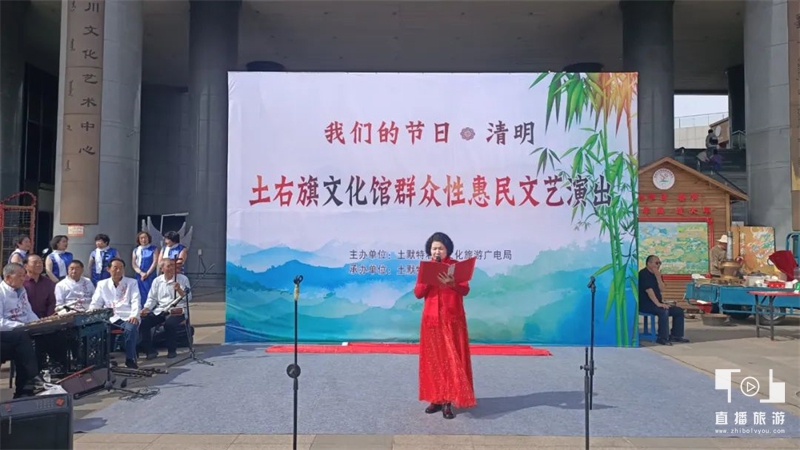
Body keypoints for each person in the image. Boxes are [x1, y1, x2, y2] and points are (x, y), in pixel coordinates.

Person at [413, 232, 475, 419]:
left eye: (440, 248)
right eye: (434, 248)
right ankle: (436, 399)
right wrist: (427, 281)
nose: (437, 251)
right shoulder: (426, 268)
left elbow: (465, 290)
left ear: (447, 249)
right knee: (433, 359)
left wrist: (452, 283)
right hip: (431, 320)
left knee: (451, 359)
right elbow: (418, 293)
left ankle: (448, 400)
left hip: (452, 319)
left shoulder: (456, 267)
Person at [0, 263, 43, 398]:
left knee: (44, 334)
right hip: (5, 334)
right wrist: (21, 326)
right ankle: (33, 377)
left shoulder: (22, 290)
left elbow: (28, 312)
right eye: (19, 276)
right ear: (8, 277)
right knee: (22, 338)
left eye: (23, 276)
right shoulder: (1, 292)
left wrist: (38, 323)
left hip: (20, 333)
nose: (23, 279)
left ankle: (25, 390)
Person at [89, 258, 141, 368]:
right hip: (109, 317)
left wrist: (134, 315)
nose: (118, 270)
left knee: (130, 329)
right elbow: (96, 302)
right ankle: (102, 359)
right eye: (115, 268)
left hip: (127, 315)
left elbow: (136, 301)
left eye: (121, 268)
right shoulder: (102, 284)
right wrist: (91, 314)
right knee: (97, 329)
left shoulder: (132, 283)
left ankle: (130, 358)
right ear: (108, 269)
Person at [139, 258, 191, 359]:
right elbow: (152, 298)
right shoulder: (157, 281)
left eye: (173, 265)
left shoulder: (183, 279)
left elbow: (188, 298)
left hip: (178, 310)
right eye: (168, 266)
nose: (171, 268)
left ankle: (172, 350)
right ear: (162, 269)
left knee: (169, 324)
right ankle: (150, 350)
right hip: (161, 310)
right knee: (144, 323)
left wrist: (179, 290)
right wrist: (146, 308)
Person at [638, 255, 690, 345]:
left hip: (657, 302)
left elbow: (662, 289)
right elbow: (649, 291)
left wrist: (658, 277)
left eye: (660, 263)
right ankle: (662, 337)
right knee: (663, 311)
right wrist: (658, 304)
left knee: (678, 311)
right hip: (646, 304)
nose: (658, 265)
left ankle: (676, 335)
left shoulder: (657, 274)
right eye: (656, 263)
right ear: (649, 263)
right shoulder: (643, 274)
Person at [132, 231, 160, 305]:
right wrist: (141, 273)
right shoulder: (136, 250)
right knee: (139, 292)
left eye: (145, 238)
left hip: (150, 275)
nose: (143, 240)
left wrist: (147, 273)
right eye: (141, 238)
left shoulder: (153, 249)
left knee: (150, 292)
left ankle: (149, 307)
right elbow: (134, 264)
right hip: (139, 275)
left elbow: (155, 262)